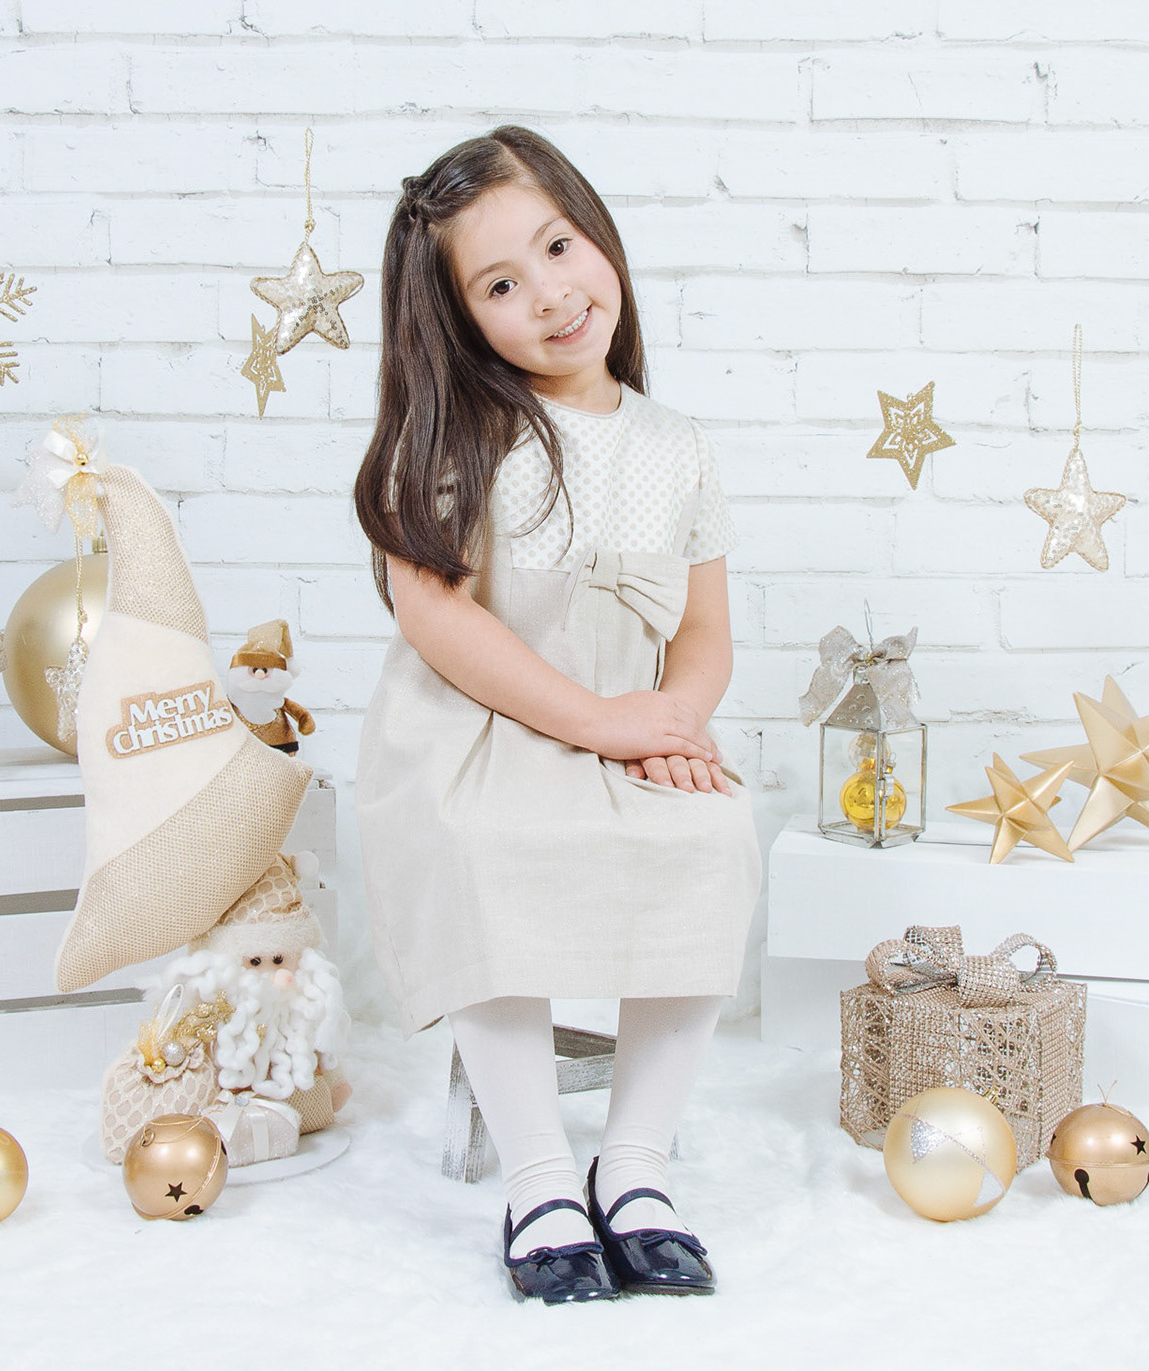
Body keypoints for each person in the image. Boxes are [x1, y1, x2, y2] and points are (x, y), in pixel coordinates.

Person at [353, 126, 761, 1305]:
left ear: (598, 235)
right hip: (481, 727)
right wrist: (596, 721)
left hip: (625, 722)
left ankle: (632, 1164)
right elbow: (437, 618)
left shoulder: (675, 447)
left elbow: (702, 632)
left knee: (710, 838)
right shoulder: (460, 437)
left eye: (557, 247)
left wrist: (670, 723)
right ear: (458, 320)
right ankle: (536, 1174)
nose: (548, 294)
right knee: (482, 850)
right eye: (498, 285)